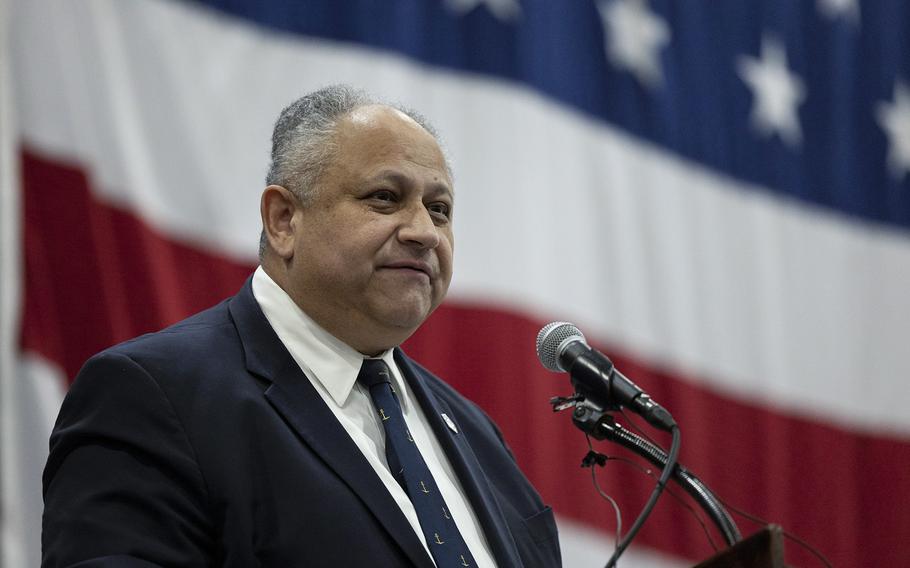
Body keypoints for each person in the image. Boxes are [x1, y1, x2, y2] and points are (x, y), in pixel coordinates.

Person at [42, 85, 561, 567]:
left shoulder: (475, 430)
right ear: (284, 219)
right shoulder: (152, 397)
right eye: (384, 197)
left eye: (440, 209)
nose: (424, 232)